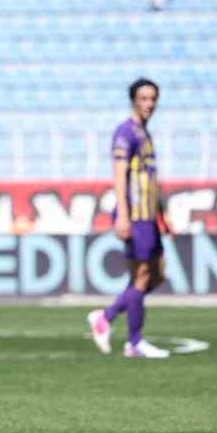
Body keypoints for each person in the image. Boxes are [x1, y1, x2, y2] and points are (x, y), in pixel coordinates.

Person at [87, 80, 171, 359]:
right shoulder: (125, 132)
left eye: (153, 98)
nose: (149, 104)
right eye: (144, 98)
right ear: (133, 100)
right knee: (141, 275)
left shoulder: (145, 133)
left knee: (157, 274)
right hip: (134, 214)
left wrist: (163, 211)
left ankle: (105, 317)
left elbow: (151, 177)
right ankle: (134, 342)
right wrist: (123, 214)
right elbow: (119, 175)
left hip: (149, 215)